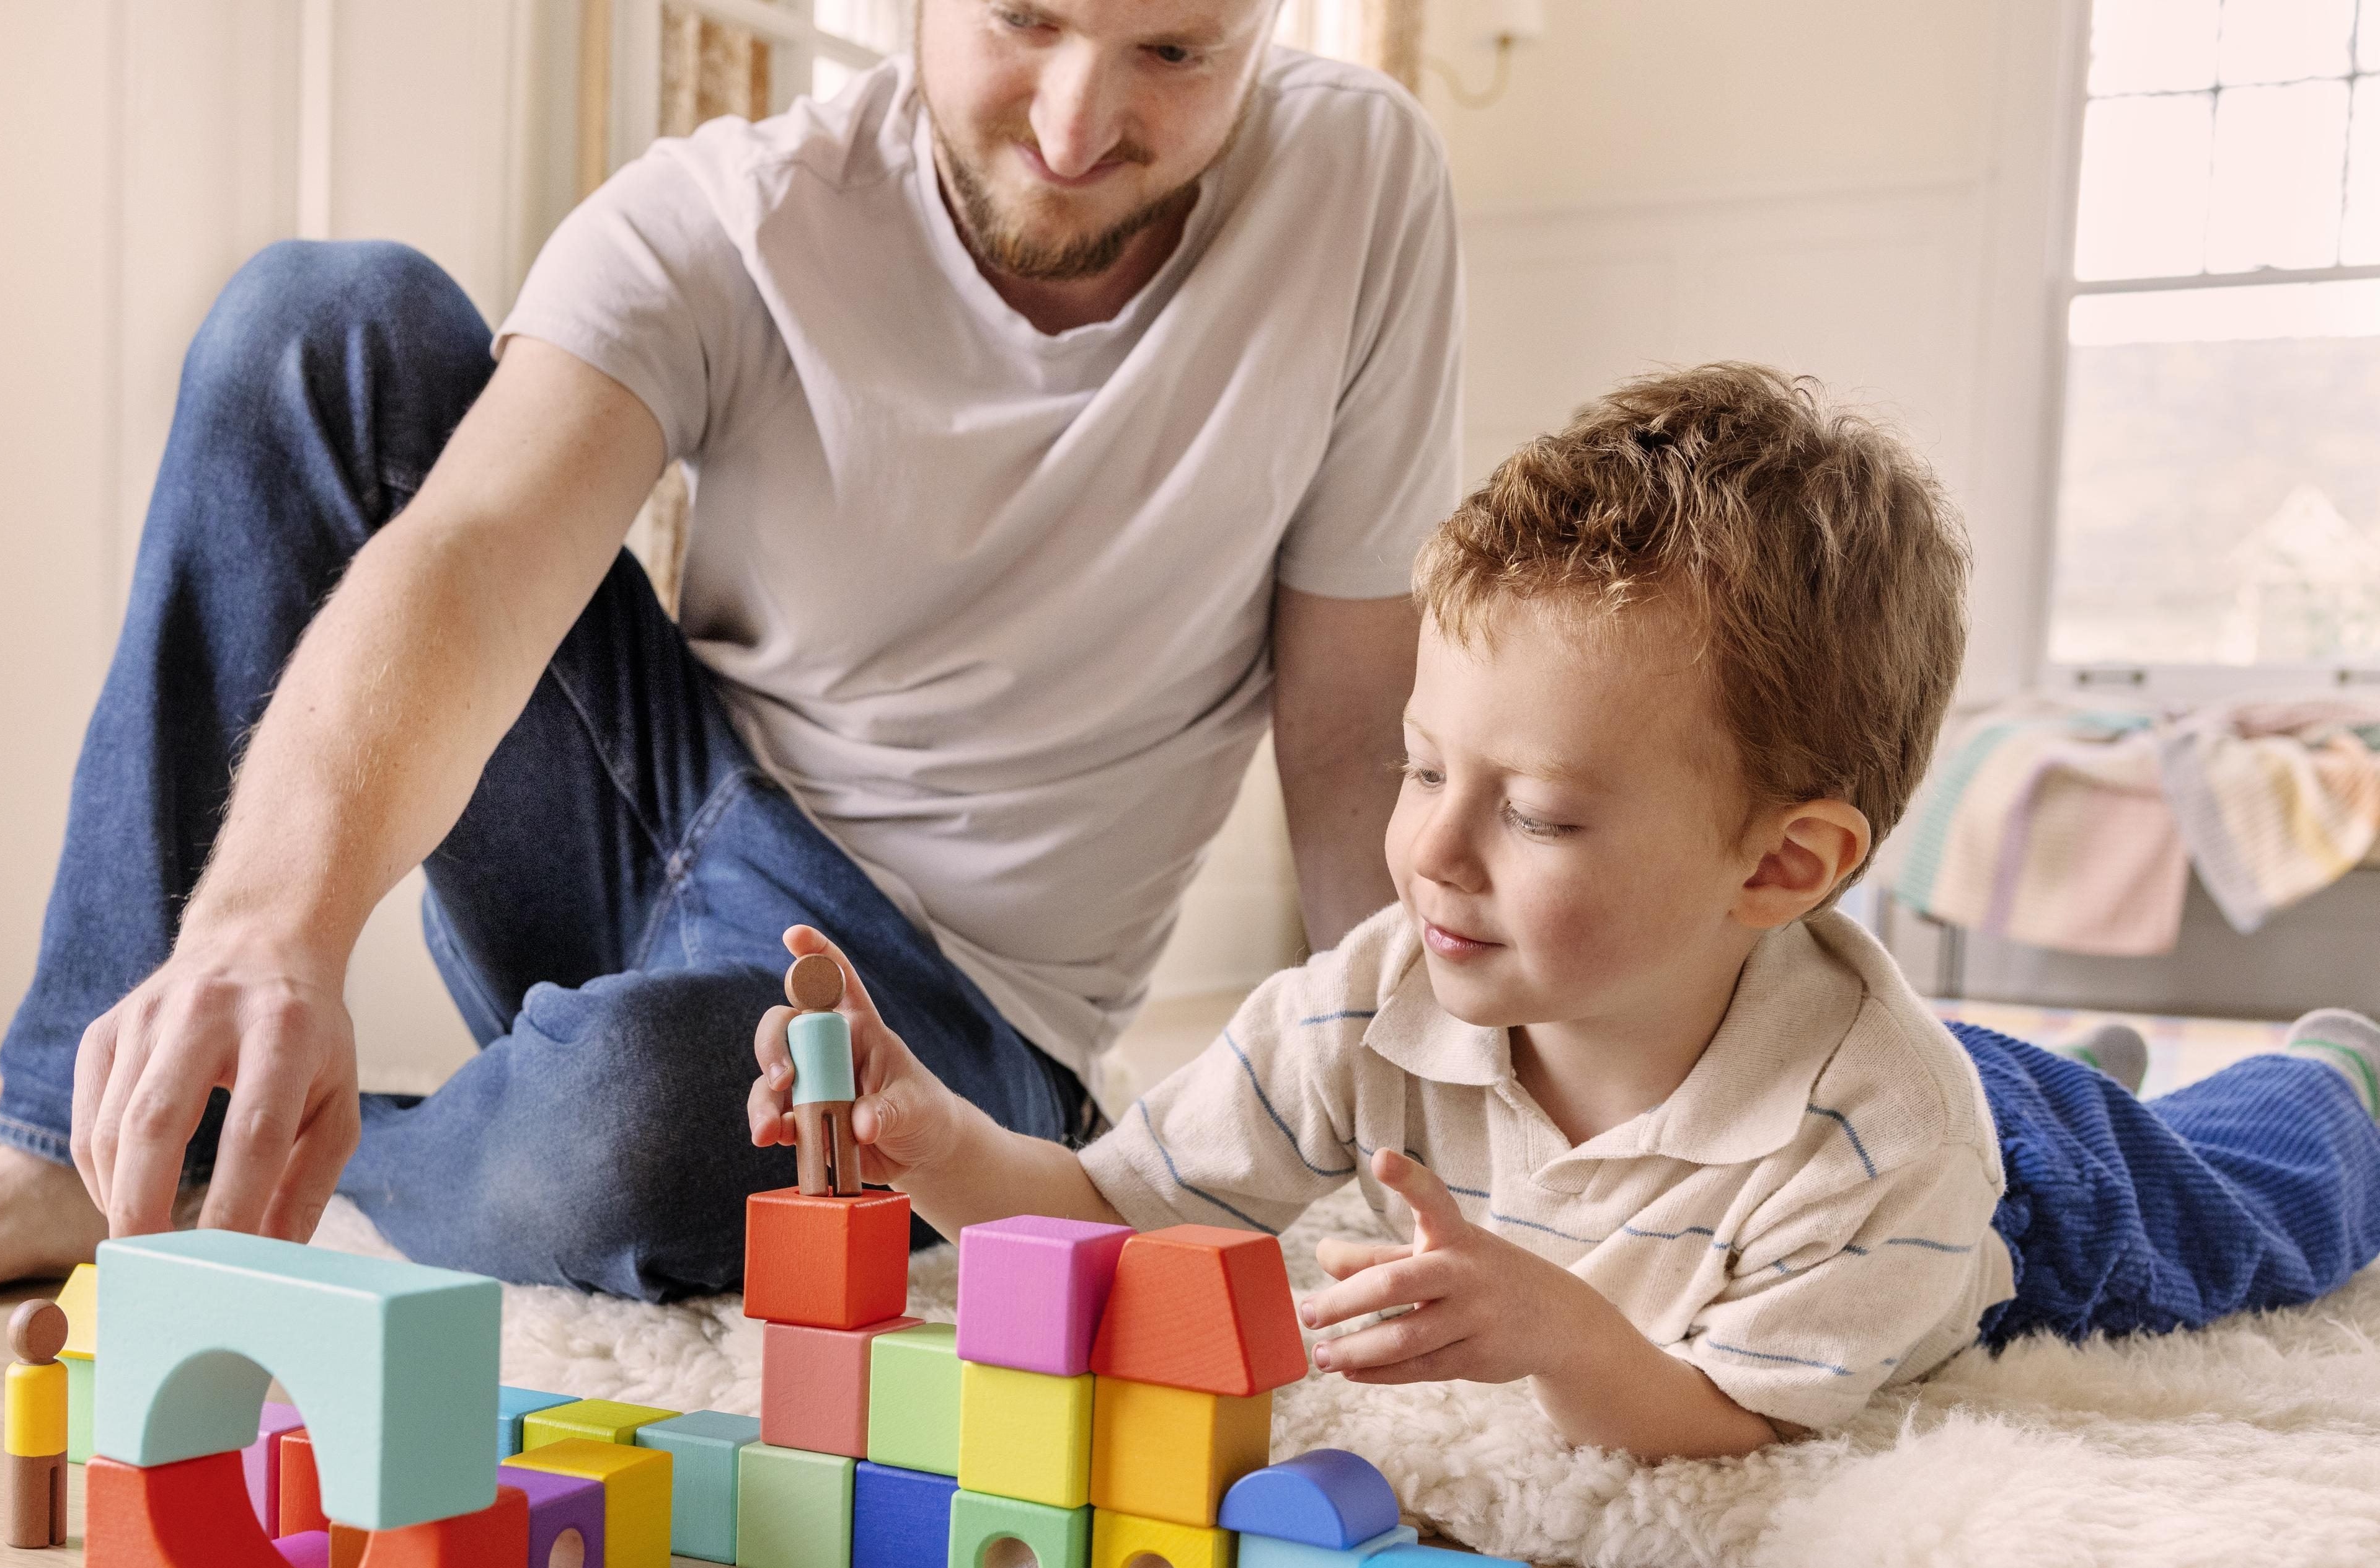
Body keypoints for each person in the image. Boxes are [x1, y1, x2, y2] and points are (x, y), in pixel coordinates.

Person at [0, 0, 1461, 1321]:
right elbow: (475, 553)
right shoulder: (737, 216)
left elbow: (1352, 732)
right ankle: (75, 1128)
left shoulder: (1360, 193)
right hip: (665, 807)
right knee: (313, 327)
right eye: (1024, 16)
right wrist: (274, 928)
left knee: (639, 1128)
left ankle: (280, 1150)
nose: (1085, 122)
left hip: (962, 1012)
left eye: (1177, 47)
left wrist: (1419, 1120)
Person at [745, 363, 2380, 1460]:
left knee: (2257, 1214)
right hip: (1791, 1026)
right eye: (1419, 766)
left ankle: (2333, 1073)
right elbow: (1118, 1212)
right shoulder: (1367, 1000)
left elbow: (1734, 1422)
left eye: (1529, 811)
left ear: (1784, 866)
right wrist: (932, 1145)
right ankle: (2069, 1056)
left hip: (2025, 1197)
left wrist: (1557, 1332)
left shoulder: (1890, 1144)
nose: (1430, 851)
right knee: (1995, 1076)